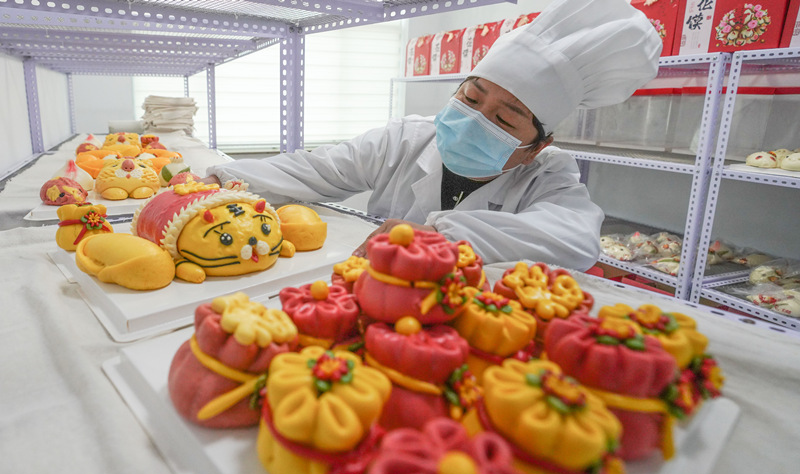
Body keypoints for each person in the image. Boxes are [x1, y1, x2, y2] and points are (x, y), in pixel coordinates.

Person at [205, 0, 662, 272]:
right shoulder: (408, 139)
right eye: (471, 97)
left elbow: (575, 240)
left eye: (505, 120)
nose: (476, 119)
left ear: (536, 147)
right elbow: (313, 169)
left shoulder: (549, 174)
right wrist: (214, 178)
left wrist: (445, 236)